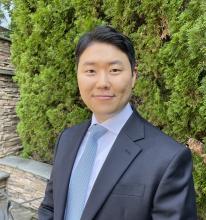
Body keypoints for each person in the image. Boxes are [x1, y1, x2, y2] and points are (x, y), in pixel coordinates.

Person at [38, 26, 197, 220]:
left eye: (114, 70)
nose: (102, 82)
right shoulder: (67, 139)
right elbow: (50, 208)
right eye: (90, 70)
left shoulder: (168, 158)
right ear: (78, 75)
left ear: (133, 76)